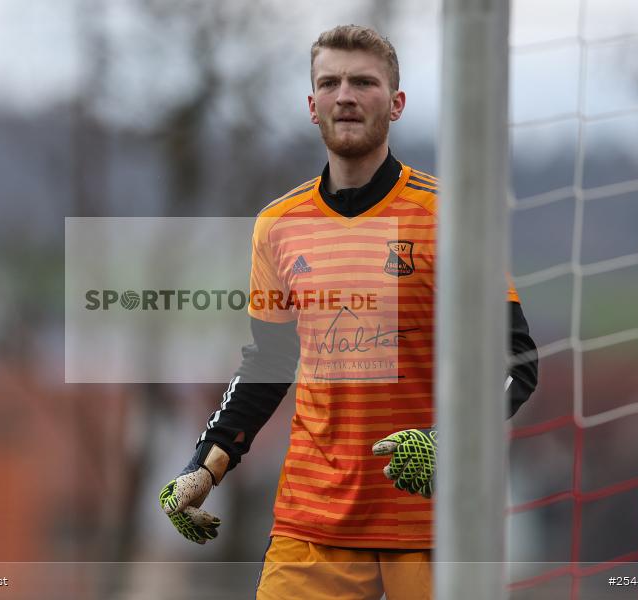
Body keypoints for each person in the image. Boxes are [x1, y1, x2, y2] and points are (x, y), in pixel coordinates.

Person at [159, 24, 538, 600]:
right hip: (312, 525)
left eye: (363, 81)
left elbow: (519, 362)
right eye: (330, 83)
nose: (346, 96)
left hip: (433, 525)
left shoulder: (451, 215)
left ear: (396, 102)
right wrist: (203, 467)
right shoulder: (277, 226)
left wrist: (450, 442)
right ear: (312, 106)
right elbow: (269, 362)